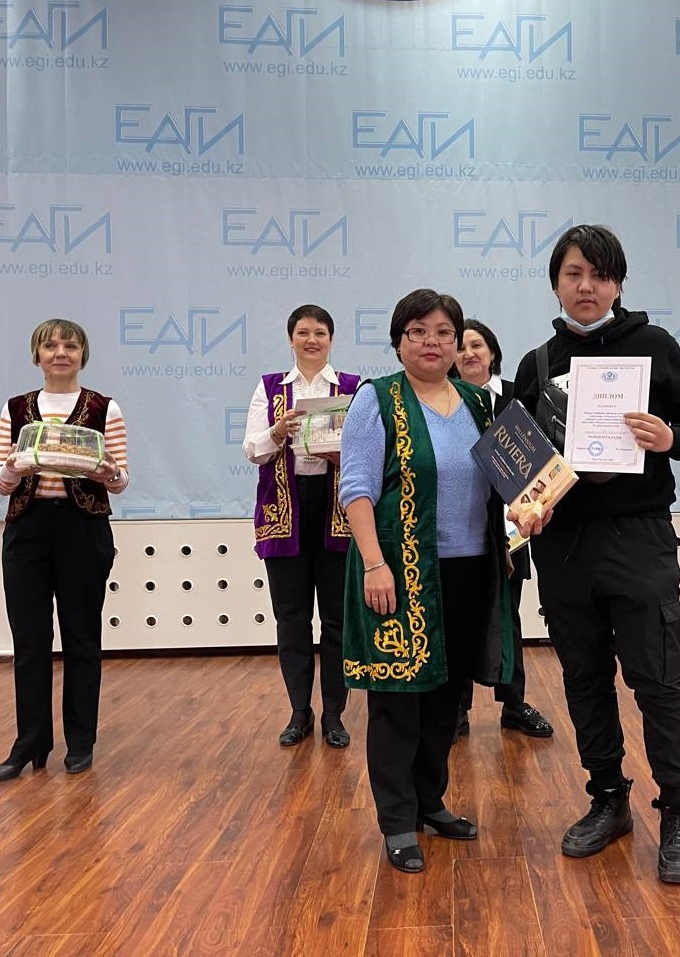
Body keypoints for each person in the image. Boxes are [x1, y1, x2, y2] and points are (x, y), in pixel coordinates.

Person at [514, 225, 680, 884]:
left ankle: (679, 811)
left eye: (599, 275)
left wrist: (669, 436)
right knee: (584, 679)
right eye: (573, 273)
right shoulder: (536, 363)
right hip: (563, 548)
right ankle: (607, 798)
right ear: (555, 283)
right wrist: (526, 504)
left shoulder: (653, 346)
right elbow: (516, 464)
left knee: (658, 679)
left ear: (618, 283)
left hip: (638, 537)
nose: (586, 286)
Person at [338, 289, 546, 874]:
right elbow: (356, 488)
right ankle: (397, 820)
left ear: (458, 342)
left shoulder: (482, 403)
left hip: (471, 570)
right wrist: (374, 564)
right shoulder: (376, 399)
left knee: (447, 698)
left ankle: (430, 803)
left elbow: (521, 480)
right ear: (399, 339)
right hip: (399, 573)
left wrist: (535, 506)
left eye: (444, 333)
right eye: (419, 331)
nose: (432, 342)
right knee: (398, 701)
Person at [0, 319, 128, 783]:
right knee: (29, 641)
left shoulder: (104, 407)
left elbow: (121, 480)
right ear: (37, 355)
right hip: (26, 530)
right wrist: (13, 468)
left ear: (83, 354)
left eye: (70, 345)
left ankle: (81, 742)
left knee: (82, 638)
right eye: (50, 346)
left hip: (82, 529)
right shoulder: (15, 409)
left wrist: (109, 473)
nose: (60, 353)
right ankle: (29, 743)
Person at [243, 305, 360, 749]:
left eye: (320, 333)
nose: (312, 340)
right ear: (290, 338)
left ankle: (334, 714)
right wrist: (277, 431)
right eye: (304, 332)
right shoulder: (270, 387)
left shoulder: (352, 387)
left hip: (337, 511)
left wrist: (340, 452)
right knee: (290, 618)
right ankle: (299, 711)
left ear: (332, 339)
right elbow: (252, 450)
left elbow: (369, 450)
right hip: (284, 511)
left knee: (336, 619)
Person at [452, 318, 554, 741]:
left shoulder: (516, 396)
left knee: (508, 617)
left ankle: (514, 705)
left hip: (512, 525)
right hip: (461, 525)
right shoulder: (445, 400)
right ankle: (456, 710)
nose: (468, 354)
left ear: (492, 352)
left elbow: (540, 462)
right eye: (461, 347)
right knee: (458, 619)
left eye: (477, 345)